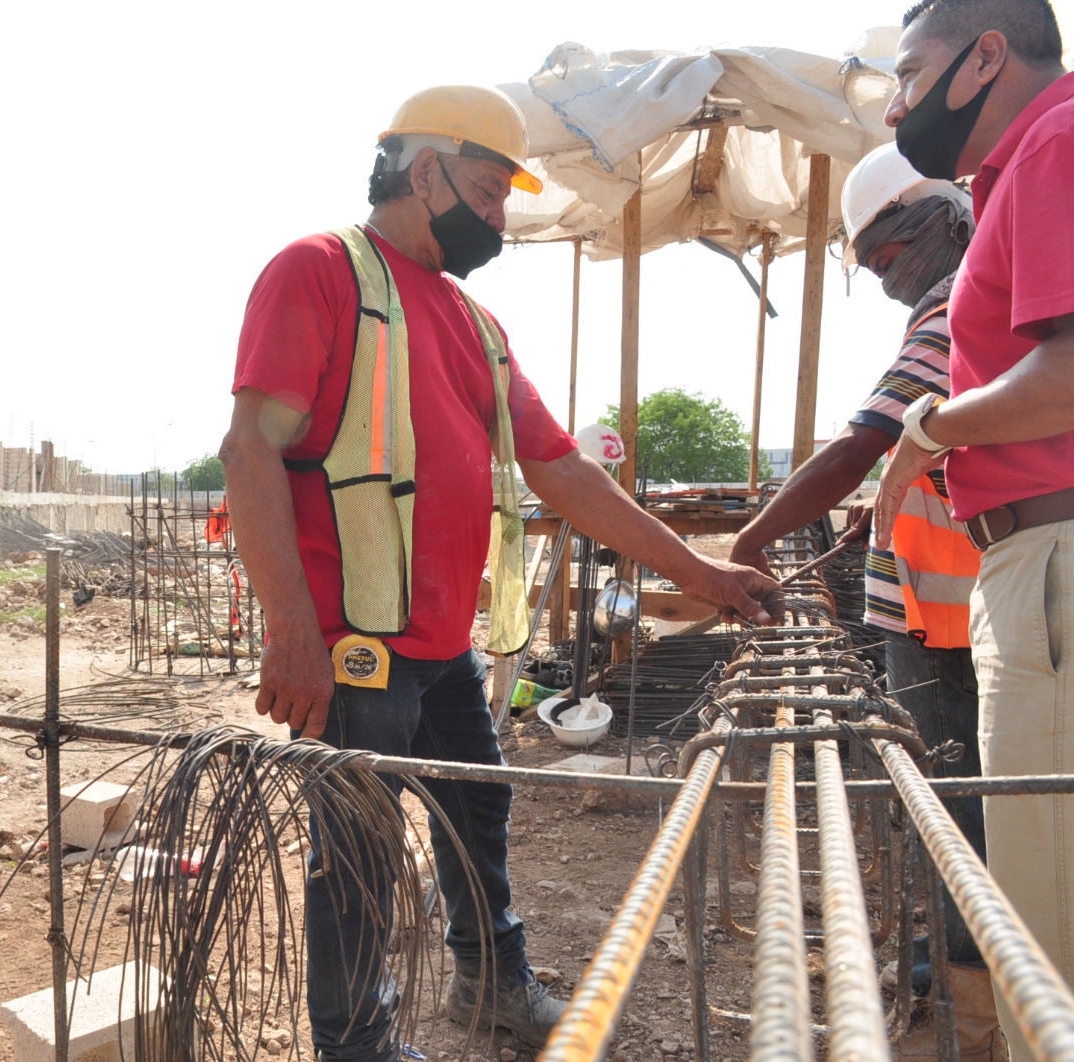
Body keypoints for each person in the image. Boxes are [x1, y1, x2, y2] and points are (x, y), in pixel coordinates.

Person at [219, 84, 781, 1062]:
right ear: (423, 170)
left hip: (438, 645)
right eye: (485, 193)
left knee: (477, 800)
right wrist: (289, 630)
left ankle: (491, 984)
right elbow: (249, 450)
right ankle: (356, 1043)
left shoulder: (475, 326)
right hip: (353, 644)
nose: (497, 220)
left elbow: (563, 471)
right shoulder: (319, 273)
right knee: (356, 851)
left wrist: (701, 568)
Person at [730, 141, 1001, 1059]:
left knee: (957, 807)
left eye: (889, 254)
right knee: (947, 798)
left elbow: (858, 444)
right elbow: (923, 449)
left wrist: (753, 541)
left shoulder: (955, 301)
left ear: (939, 217)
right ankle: (946, 964)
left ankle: (968, 1009)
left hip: (949, 621)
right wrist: (880, 512)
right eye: (872, 263)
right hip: (931, 602)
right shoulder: (954, 302)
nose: (886, 276)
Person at [874, 1, 1073, 1057]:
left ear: (984, 54)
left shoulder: (1054, 142)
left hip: (1051, 567)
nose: (899, 101)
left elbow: (1067, 379)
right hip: (1033, 564)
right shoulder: (1019, 173)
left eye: (910, 71)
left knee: (1045, 933)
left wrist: (928, 425)